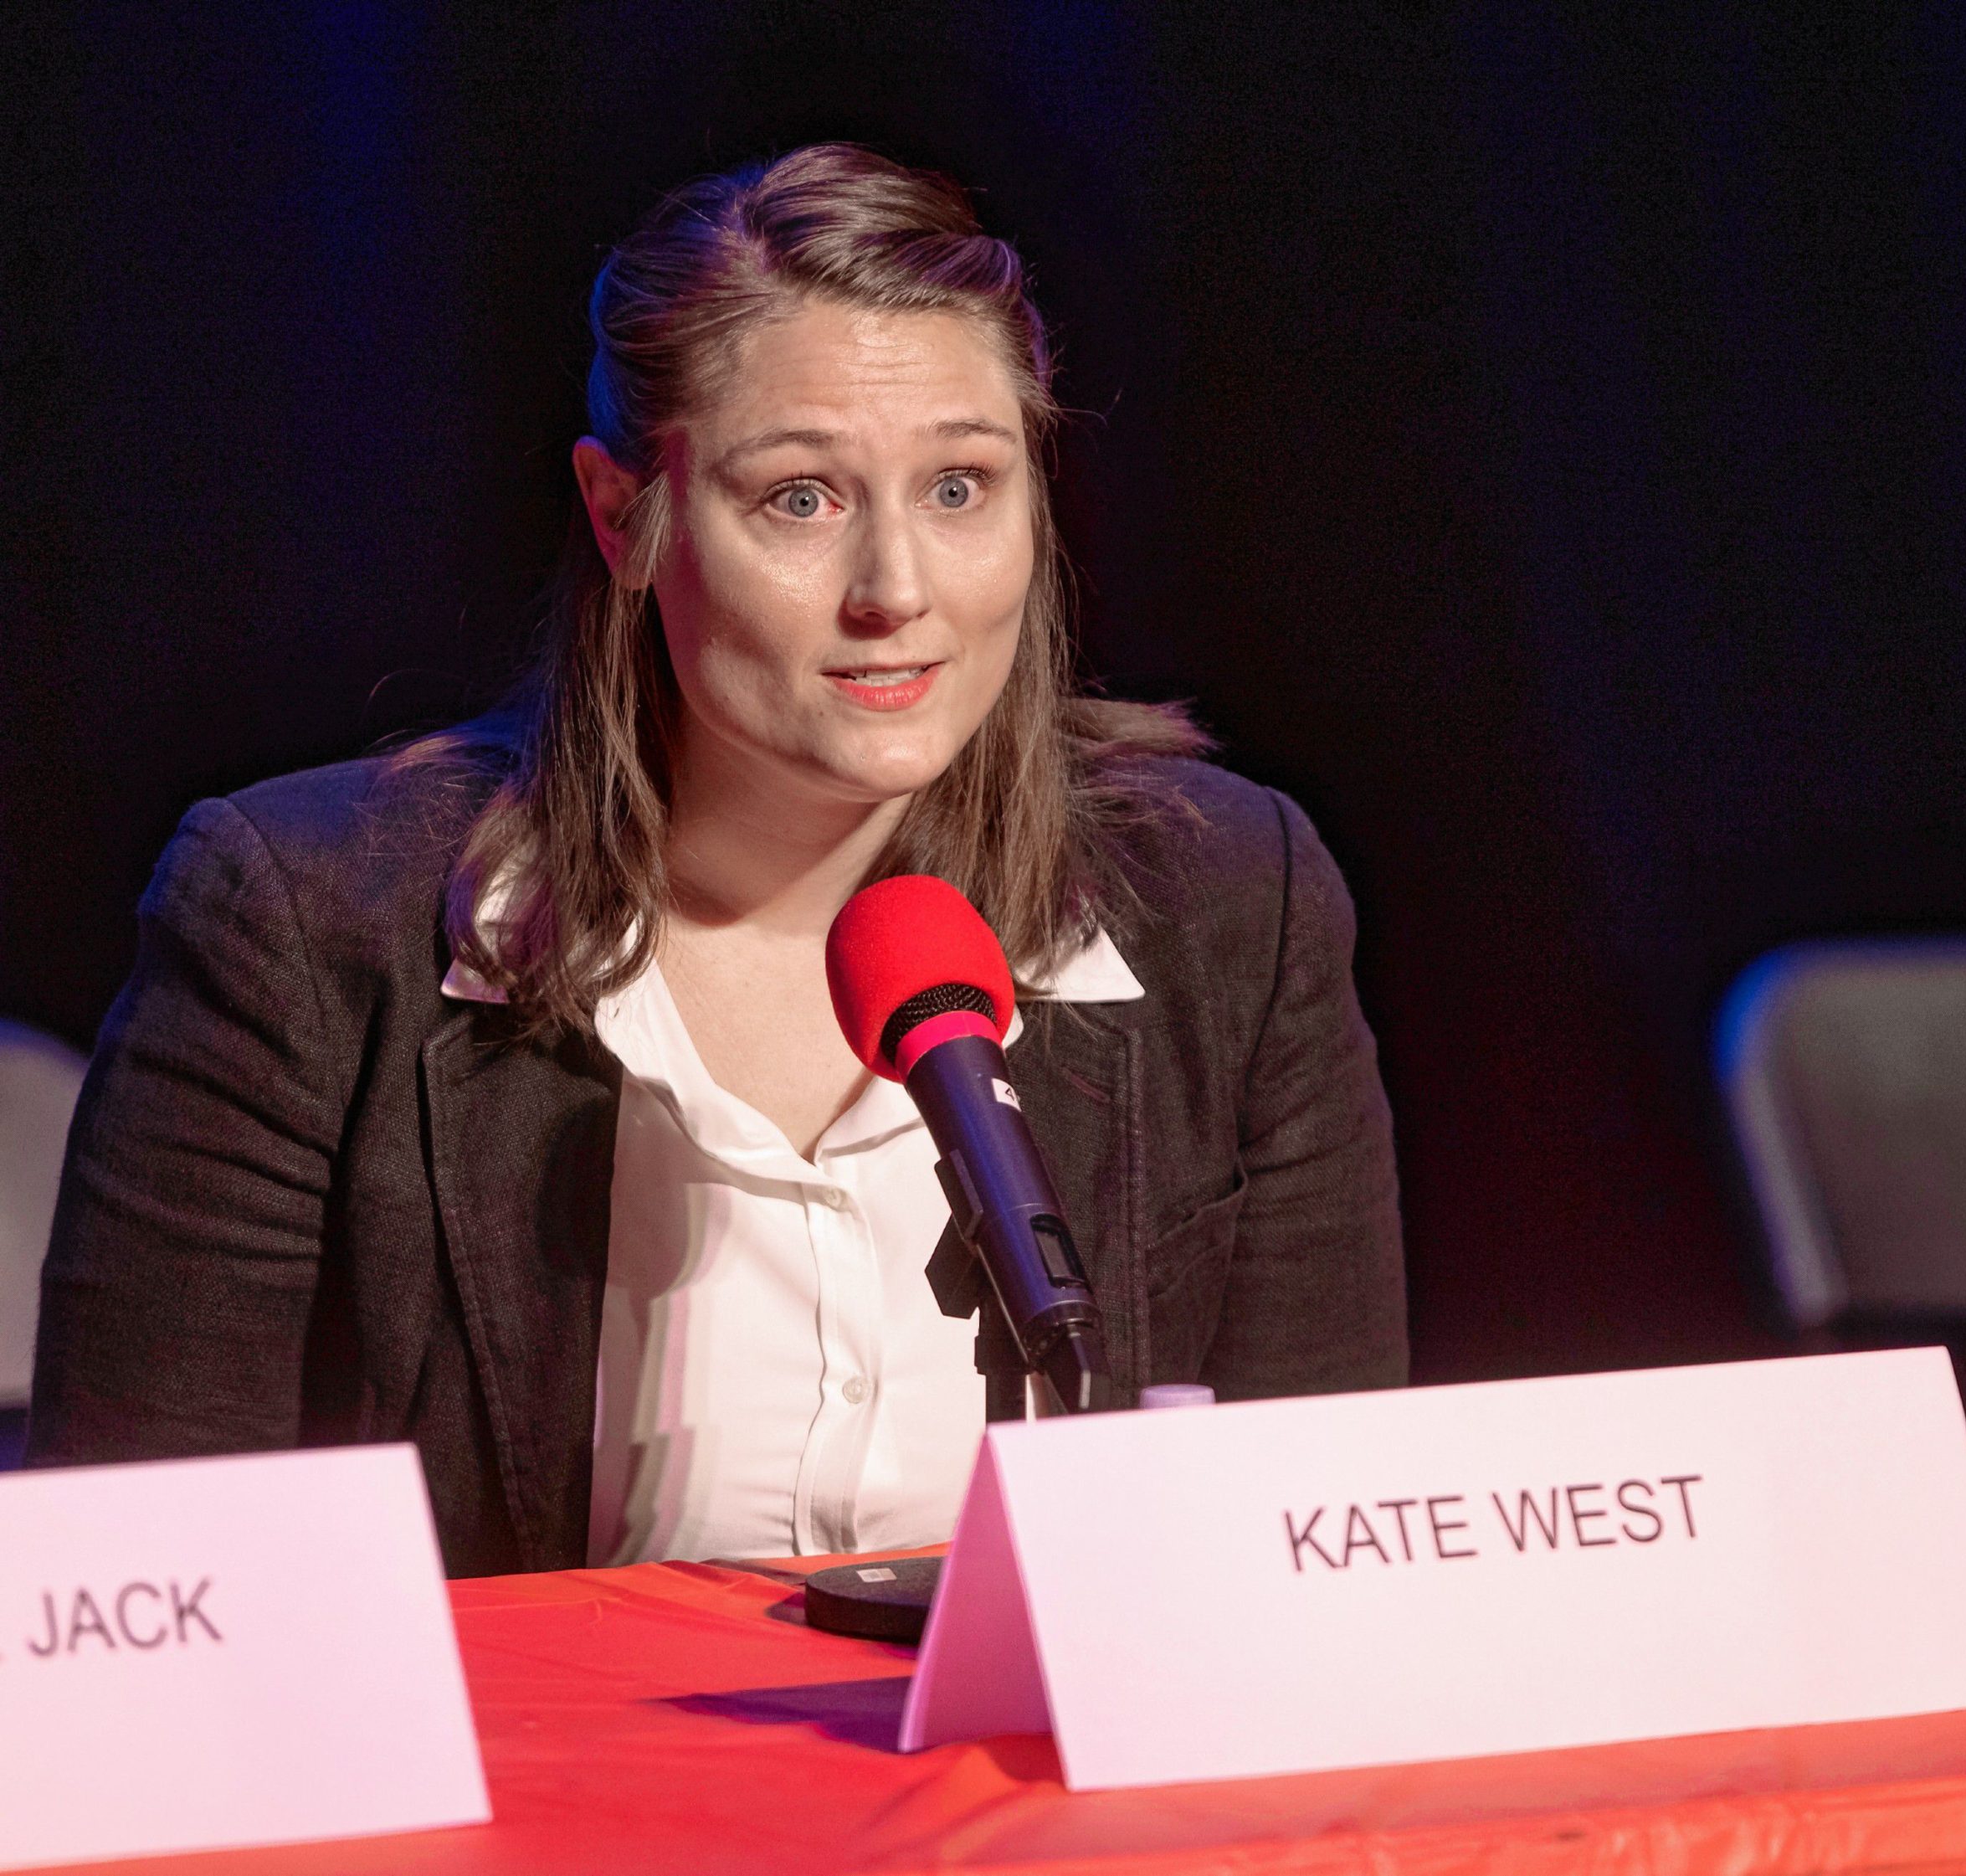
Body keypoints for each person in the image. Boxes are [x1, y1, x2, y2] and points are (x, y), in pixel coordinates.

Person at [28, 146, 1406, 1576]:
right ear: (628, 518)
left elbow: (1313, 1561)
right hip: (529, 1800)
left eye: (958, 486)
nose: (896, 591)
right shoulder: (303, 927)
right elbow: (142, 1599)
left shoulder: (1229, 905)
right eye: (801, 498)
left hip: (1033, 1797)